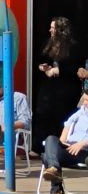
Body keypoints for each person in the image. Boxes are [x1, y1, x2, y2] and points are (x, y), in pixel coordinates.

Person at [34, 17, 84, 154]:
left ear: (60, 30)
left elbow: (77, 68)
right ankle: (39, 147)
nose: (50, 30)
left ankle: (60, 149)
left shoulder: (74, 46)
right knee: (43, 115)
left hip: (66, 89)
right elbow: (40, 60)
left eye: (53, 27)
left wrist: (58, 71)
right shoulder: (48, 43)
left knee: (62, 118)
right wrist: (43, 67)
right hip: (49, 87)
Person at [42, 93, 88, 194]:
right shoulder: (80, 112)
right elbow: (66, 129)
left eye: (87, 100)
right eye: (84, 99)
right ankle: (54, 168)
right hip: (69, 149)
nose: (85, 103)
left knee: (46, 156)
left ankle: (56, 191)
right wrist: (63, 142)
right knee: (51, 139)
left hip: (84, 152)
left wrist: (82, 143)